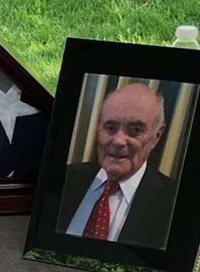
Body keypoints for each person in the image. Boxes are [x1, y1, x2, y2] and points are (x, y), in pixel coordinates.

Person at [58, 83, 175, 249]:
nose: (119, 141)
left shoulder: (173, 204)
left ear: (156, 136)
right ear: (98, 127)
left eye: (135, 129)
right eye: (111, 127)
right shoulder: (63, 178)